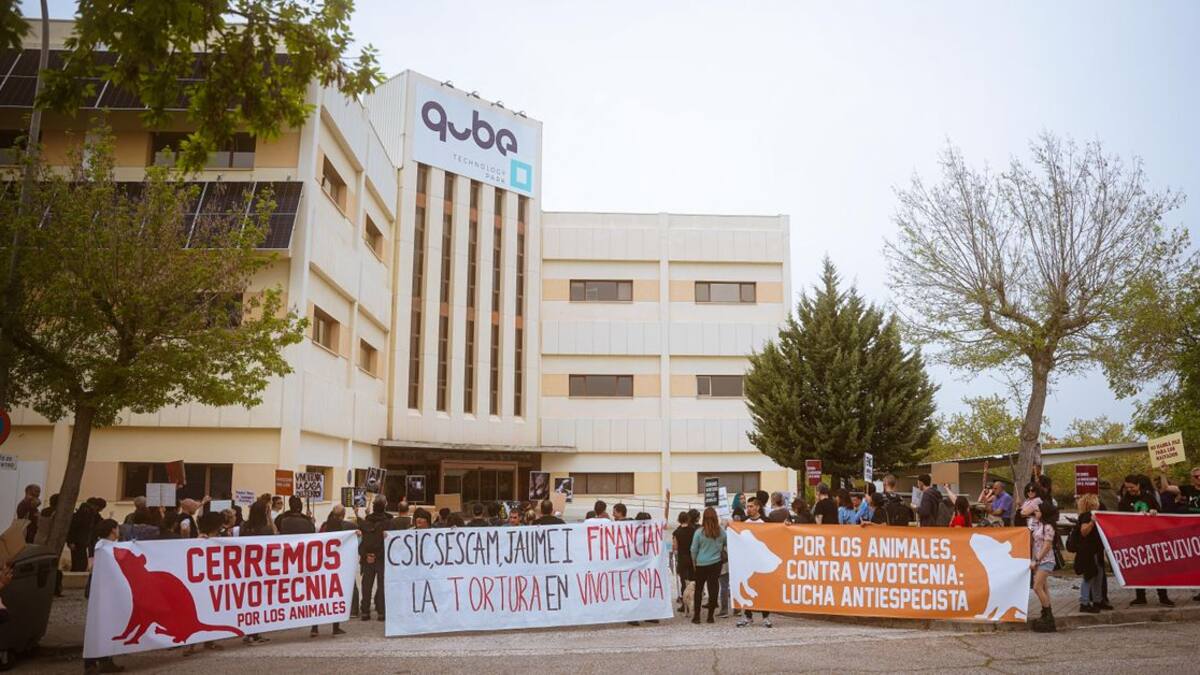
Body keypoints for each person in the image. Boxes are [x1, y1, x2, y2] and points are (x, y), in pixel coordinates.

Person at [1118, 475, 1173, 606]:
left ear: (1138, 485)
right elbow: (1120, 519)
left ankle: (1163, 597)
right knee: (1139, 569)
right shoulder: (1124, 501)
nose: (1129, 490)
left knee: (1157, 568)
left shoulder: (1149, 497)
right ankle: (1140, 597)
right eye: (1127, 488)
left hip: (1152, 538)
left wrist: (1155, 512)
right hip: (1135, 539)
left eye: (1132, 487)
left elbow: (1160, 513)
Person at [312, 505, 352, 637]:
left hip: (322, 565)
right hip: (336, 567)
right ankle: (335, 627)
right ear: (343, 515)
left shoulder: (324, 525)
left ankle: (314, 628)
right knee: (336, 596)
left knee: (320, 596)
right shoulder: (343, 527)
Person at [1067, 494, 1105, 613]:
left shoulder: (1086, 515)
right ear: (1093, 503)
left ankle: (1097, 600)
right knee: (1090, 576)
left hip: (1093, 551)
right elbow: (1084, 531)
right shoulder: (1088, 516)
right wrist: (1092, 522)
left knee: (1097, 575)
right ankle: (1085, 602)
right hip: (1090, 552)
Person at [737, 501, 771, 628]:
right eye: (747, 507)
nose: (749, 509)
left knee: (763, 589)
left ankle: (765, 617)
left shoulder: (766, 521)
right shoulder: (744, 522)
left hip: (761, 562)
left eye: (751, 506)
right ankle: (748, 616)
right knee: (747, 587)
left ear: (758, 507)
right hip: (747, 562)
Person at [689, 507, 725, 624]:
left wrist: (694, 562)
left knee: (698, 590)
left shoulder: (699, 532)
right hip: (716, 563)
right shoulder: (720, 532)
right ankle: (710, 616)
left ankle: (697, 616)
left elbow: (693, 549)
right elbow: (727, 542)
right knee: (713, 589)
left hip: (701, 563)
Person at [359, 496, 393, 620]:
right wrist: (377, 555)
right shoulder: (389, 523)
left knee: (366, 586)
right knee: (382, 585)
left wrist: (366, 555)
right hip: (381, 558)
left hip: (367, 558)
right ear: (384, 506)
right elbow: (389, 543)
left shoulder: (366, 522)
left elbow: (361, 542)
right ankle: (381, 612)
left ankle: (365, 611)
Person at [1029, 501, 1059, 632]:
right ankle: (1046, 613)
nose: (1035, 513)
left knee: (1037, 587)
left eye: (1037, 511)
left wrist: (1036, 560)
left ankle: (1048, 615)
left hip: (1046, 561)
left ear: (1044, 513)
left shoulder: (1048, 527)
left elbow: (1047, 546)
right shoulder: (1038, 525)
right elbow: (1034, 543)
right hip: (1039, 560)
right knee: (1044, 588)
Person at [68, 498, 103, 571]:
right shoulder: (85, 514)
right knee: (80, 562)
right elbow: (73, 528)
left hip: (82, 541)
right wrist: (71, 541)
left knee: (80, 562)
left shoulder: (91, 514)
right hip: (79, 541)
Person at [672, 511, 696, 613]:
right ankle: (694, 602)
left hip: (682, 559)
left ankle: (684, 605)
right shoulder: (693, 530)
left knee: (683, 582)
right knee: (693, 582)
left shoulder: (676, 532)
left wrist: (675, 554)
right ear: (688, 519)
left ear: (679, 520)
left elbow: (675, 547)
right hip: (692, 558)